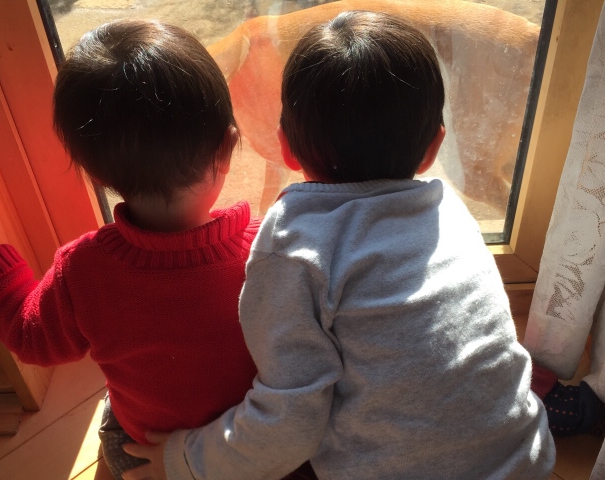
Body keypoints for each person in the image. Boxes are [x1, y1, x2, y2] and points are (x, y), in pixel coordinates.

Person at [122, 11, 555, 480]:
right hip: (524, 459)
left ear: (285, 148)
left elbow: (291, 423)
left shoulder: (292, 246)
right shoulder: (451, 212)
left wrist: (186, 459)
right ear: (433, 147)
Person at [0, 19, 262, 480]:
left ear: (95, 174)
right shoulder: (270, 250)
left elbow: (31, 338)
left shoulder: (83, 269)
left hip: (141, 447)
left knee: (115, 414)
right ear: (227, 147)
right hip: (246, 451)